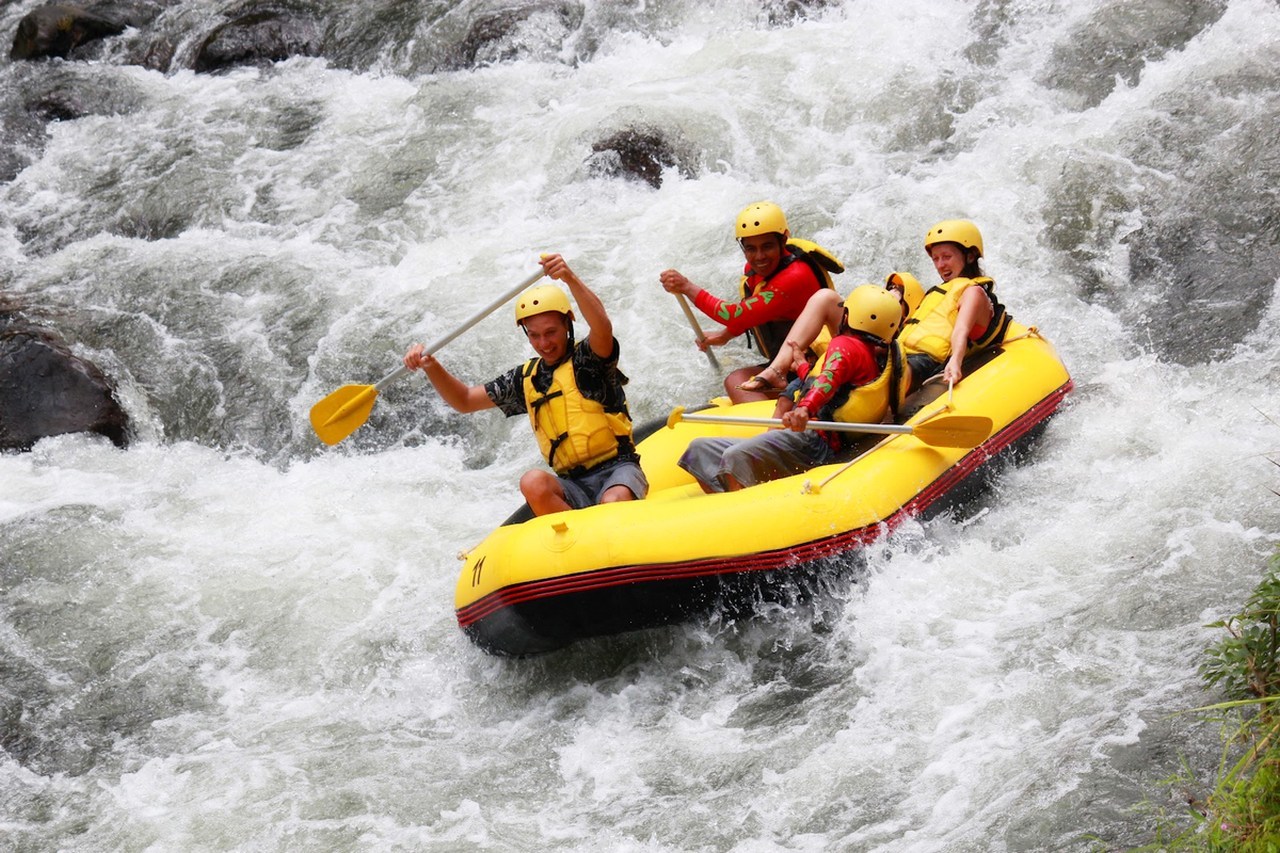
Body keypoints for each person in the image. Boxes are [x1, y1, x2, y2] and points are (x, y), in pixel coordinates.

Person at [403, 253, 648, 516]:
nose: (544, 343)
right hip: (572, 484)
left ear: (567, 324)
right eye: (534, 335)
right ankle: (577, 544)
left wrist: (569, 277)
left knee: (613, 500)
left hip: (618, 470)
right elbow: (464, 400)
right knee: (532, 481)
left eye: (551, 332)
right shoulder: (526, 378)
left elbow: (602, 326)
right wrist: (431, 366)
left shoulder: (589, 360)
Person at [677, 285, 910, 493]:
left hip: (816, 443)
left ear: (848, 315)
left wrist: (805, 410)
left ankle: (737, 512)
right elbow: (832, 382)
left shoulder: (845, 345)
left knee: (734, 456)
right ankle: (727, 498)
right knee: (700, 449)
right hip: (810, 437)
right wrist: (802, 367)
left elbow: (827, 380)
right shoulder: (870, 354)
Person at [659, 201, 843, 403]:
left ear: (784, 240)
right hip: (790, 359)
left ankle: (782, 426)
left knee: (736, 382)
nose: (759, 256)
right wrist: (725, 336)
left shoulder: (795, 277)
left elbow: (734, 314)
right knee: (735, 381)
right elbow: (756, 310)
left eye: (767, 246)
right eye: (751, 249)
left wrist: (686, 286)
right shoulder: (766, 268)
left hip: (818, 360)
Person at [738, 271, 924, 395]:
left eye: (898, 295)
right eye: (889, 290)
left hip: (868, 373)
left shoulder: (906, 340)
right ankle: (776, 370)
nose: (890, 295)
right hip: (832, 370)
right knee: (825, 297)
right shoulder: (857, 319)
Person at [901, 219, 1011, 389]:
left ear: (970, 256)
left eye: (946, 257)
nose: (940, 265)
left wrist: (955, 361)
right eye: (935, 259)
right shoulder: (936, 293)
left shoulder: (974, 292)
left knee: (893, 375)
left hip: (926, 362)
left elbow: (961, 330)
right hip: (900, 352)